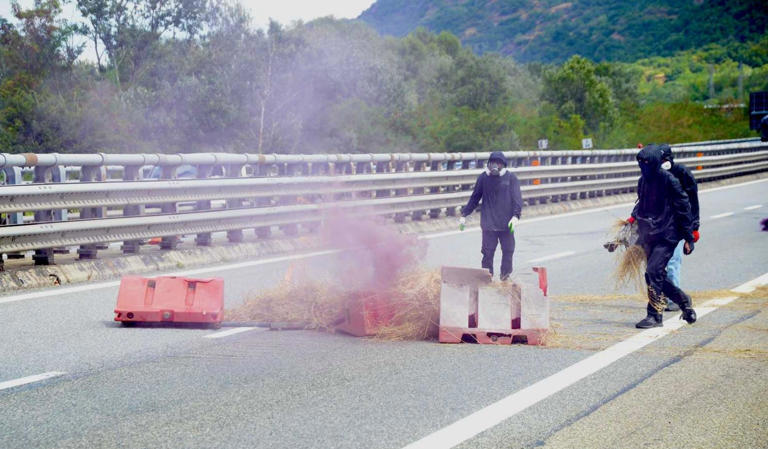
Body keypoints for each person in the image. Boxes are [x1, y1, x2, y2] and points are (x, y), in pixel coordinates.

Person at [629, 144, 697, 328]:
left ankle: (654, 315)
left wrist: (689, 236)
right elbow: (641, 203)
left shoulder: (669, 180)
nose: (643, 167)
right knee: (652, 274)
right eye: (640, 163)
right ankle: (683, 302)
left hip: (668, 234)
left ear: (655, 163)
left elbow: (684, 207)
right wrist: (632, 220)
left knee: (653, 271)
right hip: (649, 233)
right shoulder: (643, 181)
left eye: (646, 163)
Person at [459, 151, 523, 281]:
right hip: (488, 224)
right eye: (493, 163)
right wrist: (464, 214)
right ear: (488, 164)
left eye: (498, 163)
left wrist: (516, 216)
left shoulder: (511, 178)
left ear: (503, 165)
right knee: (487, 253)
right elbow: (475, 198)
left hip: (506, 224)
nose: (495, 166)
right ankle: (486, 279)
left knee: (508, 250)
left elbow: (517, 199)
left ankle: (505, 276)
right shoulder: (483, 178)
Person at [659, 144, 700, 311]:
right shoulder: (654, 175)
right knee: (658, 266)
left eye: (663, 160)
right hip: (660, 225)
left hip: (678, 225)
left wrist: (693, 229)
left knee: (673, 262)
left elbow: (693, 202)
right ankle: (666, 296)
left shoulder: (682, 173)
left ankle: (674, 300)